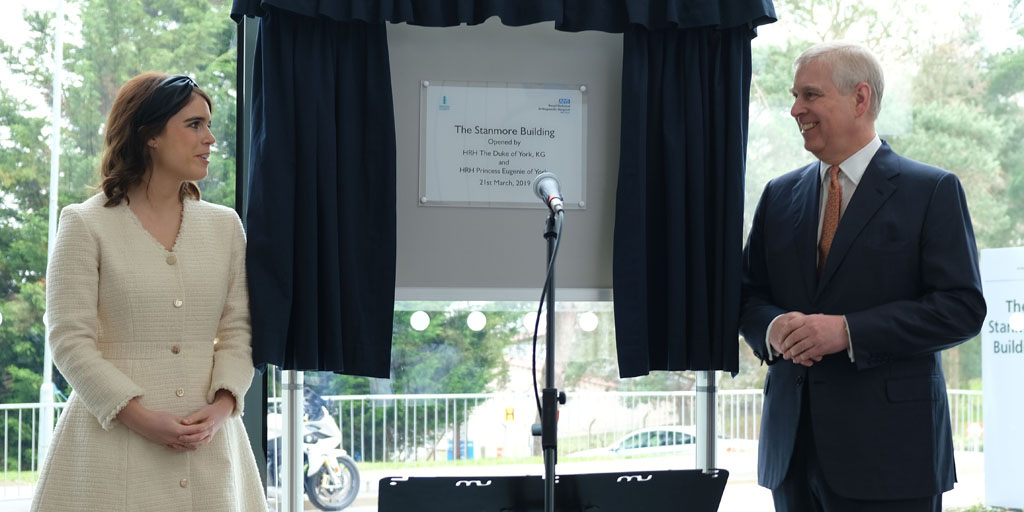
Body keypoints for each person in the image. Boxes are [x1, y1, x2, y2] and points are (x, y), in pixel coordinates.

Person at [740, 42, 986, 512]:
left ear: (860, 99)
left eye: (810, 95)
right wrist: (772, 328)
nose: (796, 109)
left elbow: (962, 308)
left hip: (892, 455)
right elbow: (750, 294)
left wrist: (847, 332)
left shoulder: (931, 190)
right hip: (791, 452)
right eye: (795, 96)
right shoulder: (777, 195)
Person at [32, 73, 268, 511]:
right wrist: (140, 418)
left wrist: (221, 407)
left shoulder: (224, 227)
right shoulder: (86, 224)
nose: (211, 138)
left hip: (211, 447)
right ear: (150, 135)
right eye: (194, 124)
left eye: (209, 125)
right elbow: (68, 341)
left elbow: (239, 331)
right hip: (110, 449)